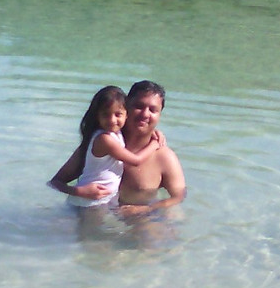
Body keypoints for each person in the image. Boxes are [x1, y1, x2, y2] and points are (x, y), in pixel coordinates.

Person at [49, 80, 186, 215]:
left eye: (153, 110)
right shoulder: (101, 145)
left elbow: (178, 196)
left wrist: (145, 209)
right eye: (138, 106)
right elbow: (55, 182)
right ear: (126, 108)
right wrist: (79, 191)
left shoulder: (164, 157)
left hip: (138, 220)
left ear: (159, 115)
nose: (145, 114)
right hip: (86, 213)